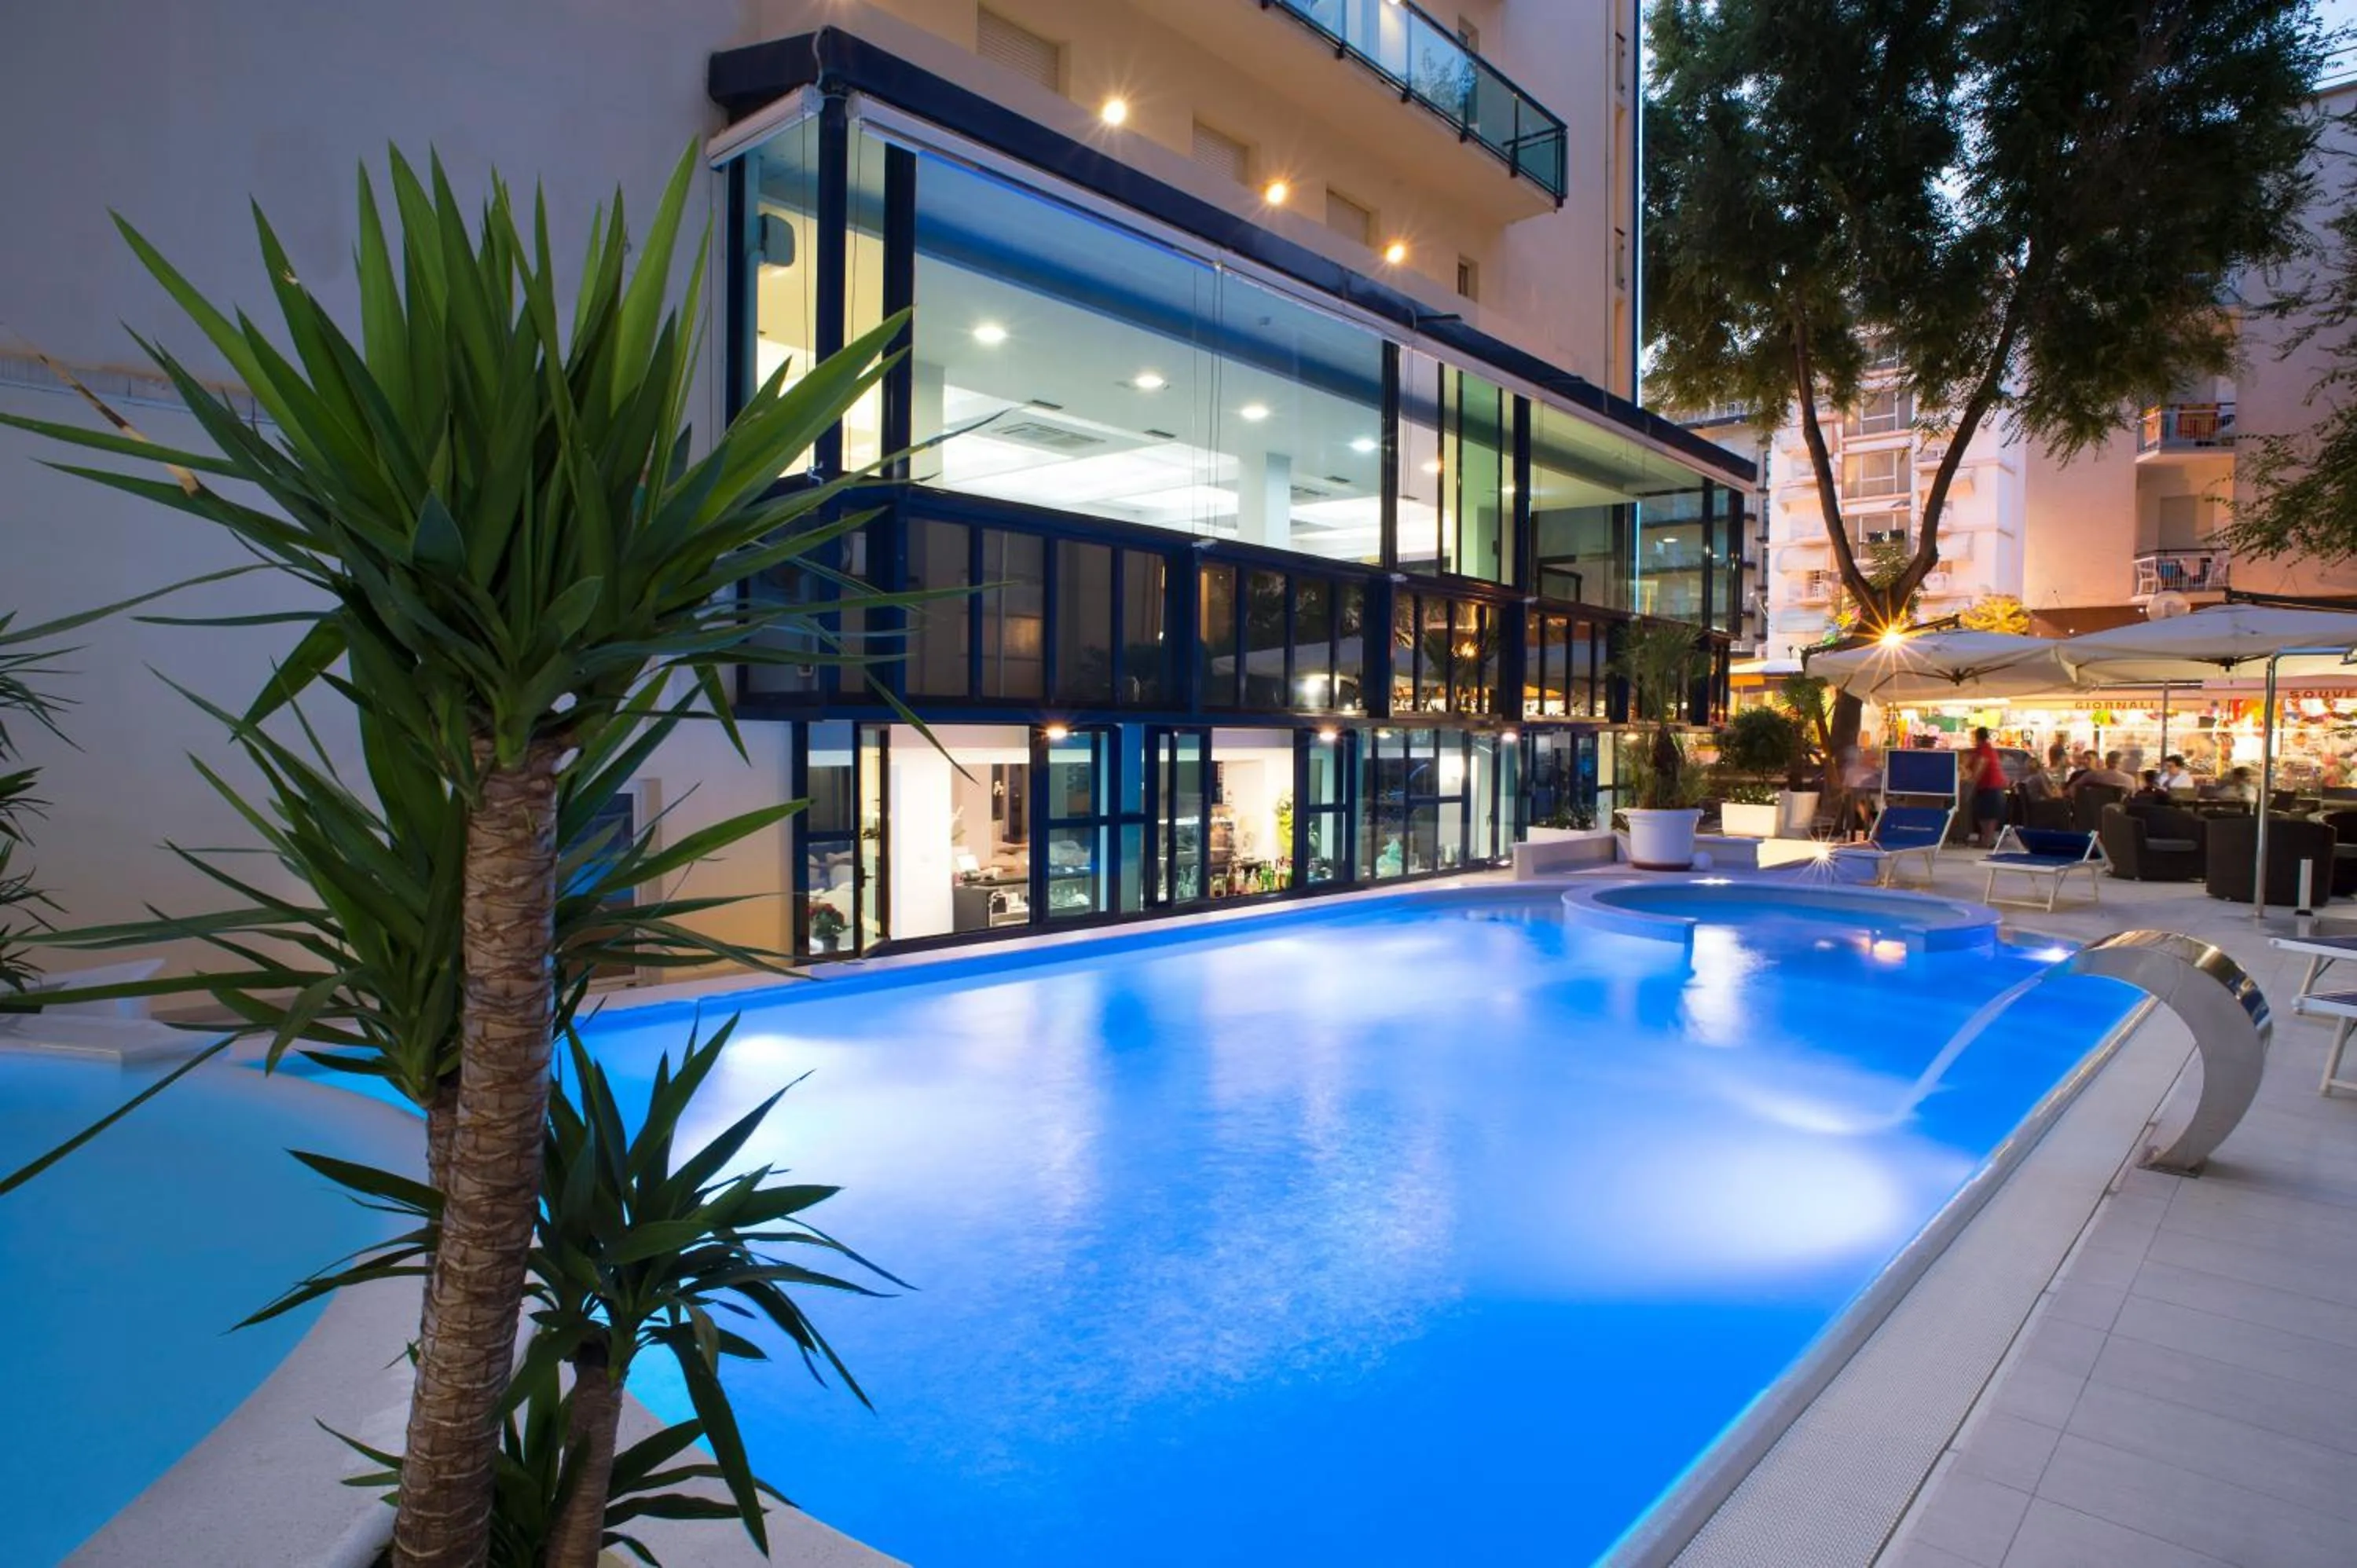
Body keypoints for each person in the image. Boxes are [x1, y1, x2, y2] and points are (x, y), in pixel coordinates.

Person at [1967, 726, 2007, 848]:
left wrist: (1972, 781)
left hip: (1990, 785)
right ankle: (1986, 839)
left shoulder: (1984, 749)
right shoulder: (1986, 749)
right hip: (1991, 785)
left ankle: (1987, 841)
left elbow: (1981, 765)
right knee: (1984, 814)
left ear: (1976, 736)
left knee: (1988, 815)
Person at [1839, 745, 1878, 840]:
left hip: (1875, 796)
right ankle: (1869, 826)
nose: (1874, 762)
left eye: (1875, 759)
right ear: (1863, 759)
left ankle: (1874, 828)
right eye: (1872, 759)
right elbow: (1846, 787)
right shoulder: (1853, 771)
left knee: (1878, 803)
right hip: (1857, 797)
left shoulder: (1879, 772)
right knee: (1859, 804)